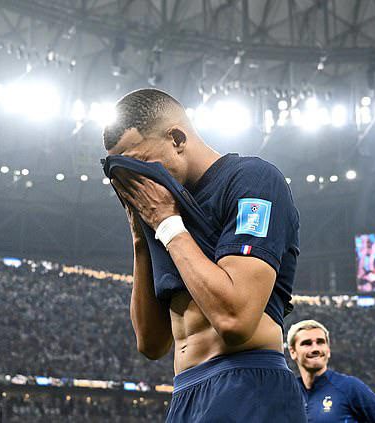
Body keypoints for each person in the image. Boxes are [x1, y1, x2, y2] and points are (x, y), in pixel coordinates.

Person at [103, 88, 305, 422]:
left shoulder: (252, 180)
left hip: (248, 383)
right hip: (185, 392)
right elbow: (152, 344)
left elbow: (235, 321)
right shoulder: (163, 210)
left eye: (142, 164)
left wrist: (167, 224)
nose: (140, 182)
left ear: (177, 138)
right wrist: (141, 236)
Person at [287, 320, 375, 422]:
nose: (315, 348)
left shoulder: (349, 387)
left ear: (328, 350)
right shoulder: (288, 393)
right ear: (293, 352)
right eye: (307, 343)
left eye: (320, 342)